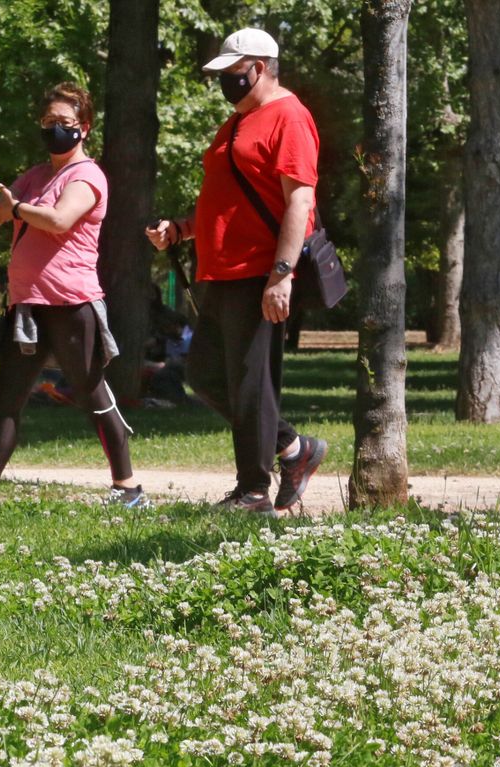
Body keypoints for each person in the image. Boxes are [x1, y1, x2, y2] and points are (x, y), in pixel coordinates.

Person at [0, 82, 146, 507]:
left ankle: (128, 488)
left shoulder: (87, 175)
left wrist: (18, 208)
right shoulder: (36, 176)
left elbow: (59, 220)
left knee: (93, 394)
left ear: (85, 127)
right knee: (9, 396)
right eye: (47, 123)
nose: (54, 130)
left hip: (72, 305)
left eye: (64, 123)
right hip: (27, 305)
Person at [146, 27, 327, 515]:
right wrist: (182, 229)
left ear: (260, 68)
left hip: (258, 272)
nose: (227, 82)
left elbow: (300, 201)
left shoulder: (288, 116)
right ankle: (293, 449)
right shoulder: (236, 123)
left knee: (250, 383)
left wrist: (281, 274)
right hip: (220, 270)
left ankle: (253, 494)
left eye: (233, 73)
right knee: (205, 375)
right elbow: (223, 200)